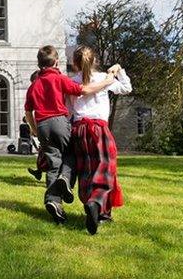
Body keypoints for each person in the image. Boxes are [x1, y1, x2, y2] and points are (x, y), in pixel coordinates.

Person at [24, 45, 114, 224]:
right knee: (72, 153)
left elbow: (28, 112)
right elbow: (83, 90)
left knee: (52, 163)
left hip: (42, 125)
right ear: (56, 61)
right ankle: (66, 178)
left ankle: (53, 201)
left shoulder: (33, 85)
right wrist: (107, 81)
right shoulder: (60, 79)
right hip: (59, 121)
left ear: (39, 63)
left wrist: (34, 129)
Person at [69, 46, 132, 235]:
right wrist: (119, 69)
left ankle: (95, 208)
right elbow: (126, 88)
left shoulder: (72, 82)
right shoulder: (104, 78)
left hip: (79, 129)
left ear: (75, 63)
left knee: (86, 169)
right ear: (95, 60)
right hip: (98, 128)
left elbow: (69, 108)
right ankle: (97, 203)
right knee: (105, 168)